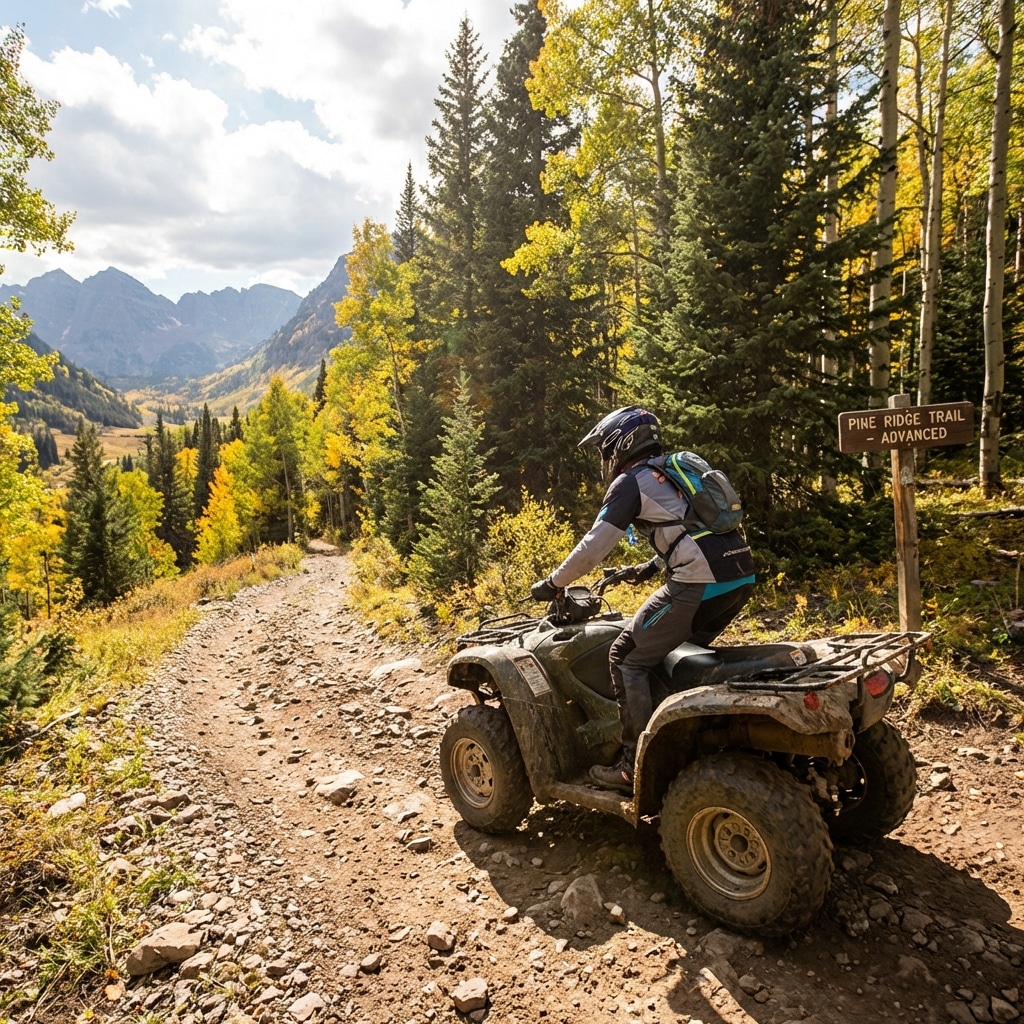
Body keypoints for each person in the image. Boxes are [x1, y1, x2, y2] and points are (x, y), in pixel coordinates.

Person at [531, 406, 755, 794]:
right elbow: (695, 528)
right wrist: (650, 567)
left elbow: (593, 548)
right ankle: (689, 736)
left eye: (604, 450)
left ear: (619, 443)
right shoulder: (669, 472)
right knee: (680, 657)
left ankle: (632, 766)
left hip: (697, 583)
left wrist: (554, 582)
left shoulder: (631, 481)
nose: (604, 459)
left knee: (625, 656)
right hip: (739, 576)